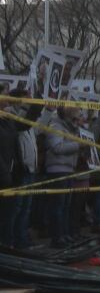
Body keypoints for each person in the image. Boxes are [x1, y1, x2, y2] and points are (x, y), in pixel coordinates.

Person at [0, 86, 42, 249]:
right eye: (4, 94)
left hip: (11, 175)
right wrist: (4, 173)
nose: (7, 97)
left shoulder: (7, 118)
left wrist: (38, 100)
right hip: (4, 175)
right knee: (9, 213)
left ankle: (10, 243)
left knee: (10, 211)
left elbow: (25, 124)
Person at [45, 107, 87, 248]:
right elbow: (57, 147)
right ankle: (57, 238)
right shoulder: (55, 125)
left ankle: (64, 234)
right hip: (58, 170)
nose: (79, 115)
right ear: (67, 112)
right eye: (76, 112)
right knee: (58, 206)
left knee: (66, 206)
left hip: (69, 169)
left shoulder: (70, 128)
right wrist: (77, 145)